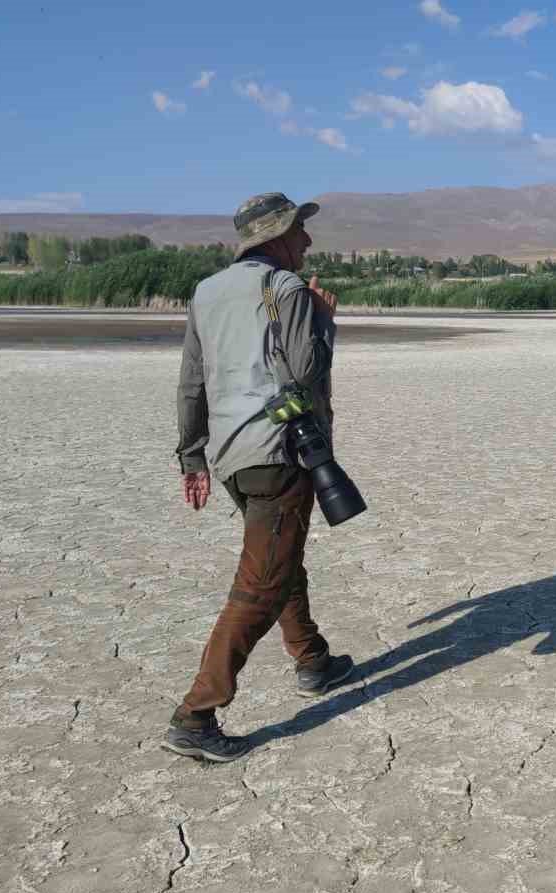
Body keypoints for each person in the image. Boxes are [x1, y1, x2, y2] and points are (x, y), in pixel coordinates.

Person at [163, 192, 355, 762]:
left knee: (278, 553)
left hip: (230, 456)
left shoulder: (207, 291)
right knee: (262, 582)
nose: (307, 240)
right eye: (299, 230)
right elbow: (306, 372)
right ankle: (196, 715)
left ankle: (313, 660)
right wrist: (324, 320)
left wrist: (192, 457)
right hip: (279, 452)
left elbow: (191, 382)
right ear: (275, 236)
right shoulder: (290, 291)